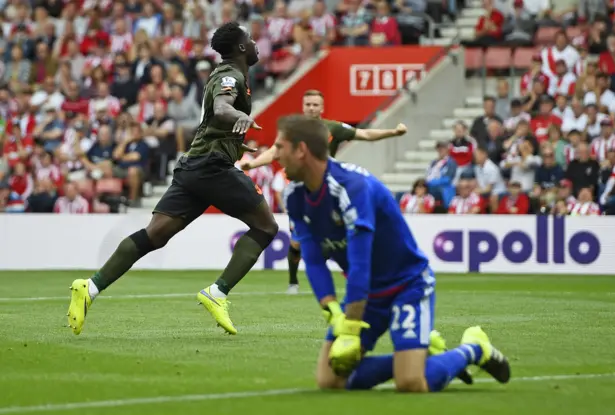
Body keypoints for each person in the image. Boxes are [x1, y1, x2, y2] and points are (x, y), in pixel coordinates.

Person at [67, 22, 278, 336]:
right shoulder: (232, 76)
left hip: (194, 166)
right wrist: (241, 117)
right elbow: (222, 108)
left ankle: (90, 287)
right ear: (242, 47)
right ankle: (218, 292)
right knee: (266, 226)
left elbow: (212, 119)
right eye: (251, 39)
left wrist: (235, 142)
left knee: (155, 235)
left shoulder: (225, 74)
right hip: (212, 168)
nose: (257, 44)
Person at [274, 114, 508, 392]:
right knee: (329, 379)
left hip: (406, 284)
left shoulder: (352, 187)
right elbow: (313, 260)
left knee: (410, 382)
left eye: (279, 147)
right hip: (368, 293)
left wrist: (350, 328)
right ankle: (417, 357)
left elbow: (360, 261)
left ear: (301, 150)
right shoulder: (294, 195)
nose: (274, 155)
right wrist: (333, 312)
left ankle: (474, 349)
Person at [240, 89, 408, 292]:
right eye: (308, 104)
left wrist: (393, 132)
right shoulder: (293, 131)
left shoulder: (332, 128)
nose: (311, 108)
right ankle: (293, 281)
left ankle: (355, 275)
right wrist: (254, 164)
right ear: (303, 106)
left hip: (329, 191)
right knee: (297, 243)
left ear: (322, 107)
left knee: (339, 235)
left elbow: (364, 134)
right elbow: (275, 151)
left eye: (315, 104)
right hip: (300, 192)